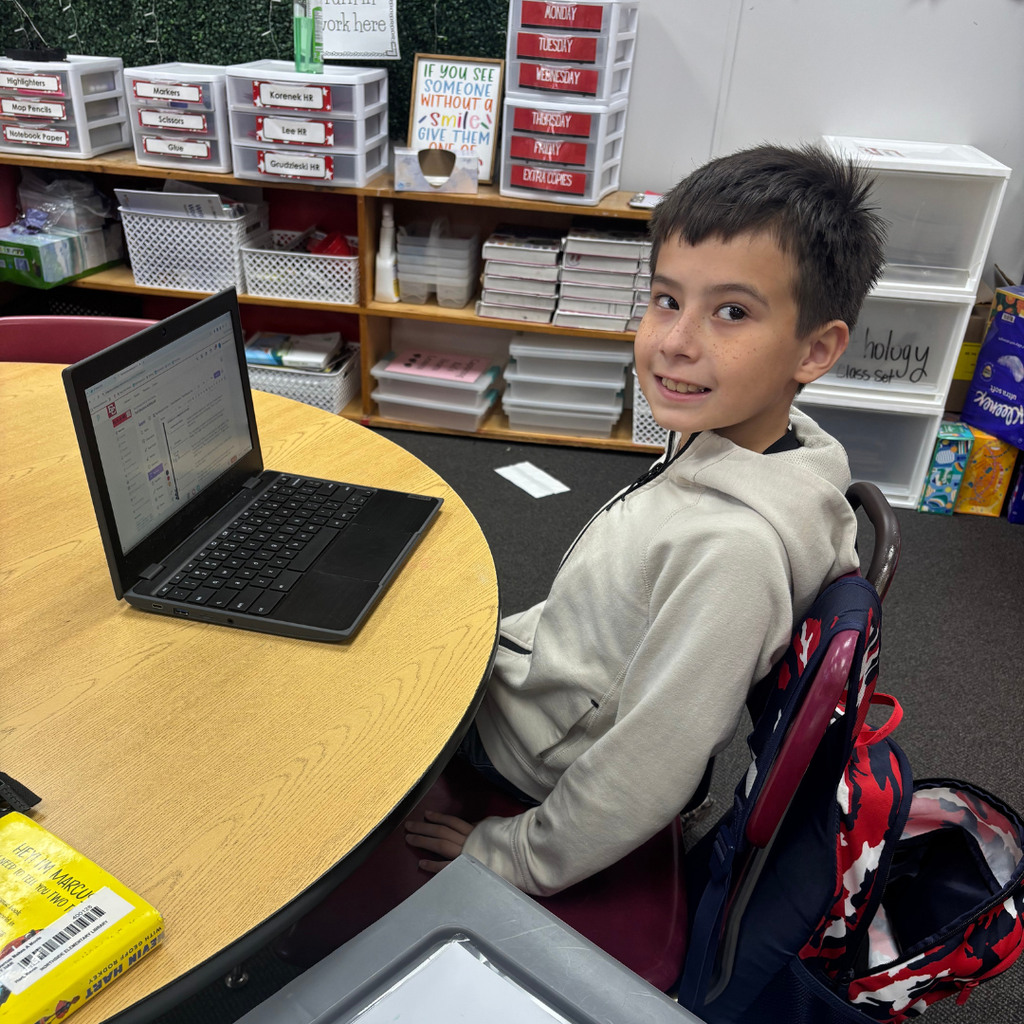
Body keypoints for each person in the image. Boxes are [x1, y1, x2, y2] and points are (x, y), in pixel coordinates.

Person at [405, 143, 887, 897]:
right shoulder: (748, 439)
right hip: (551, 687)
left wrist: (512, 856)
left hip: (530, 757)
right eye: (666, 299)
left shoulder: (734, 551)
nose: (675, 342)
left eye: (732, 312)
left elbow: (647, 769)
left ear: (816, 349)